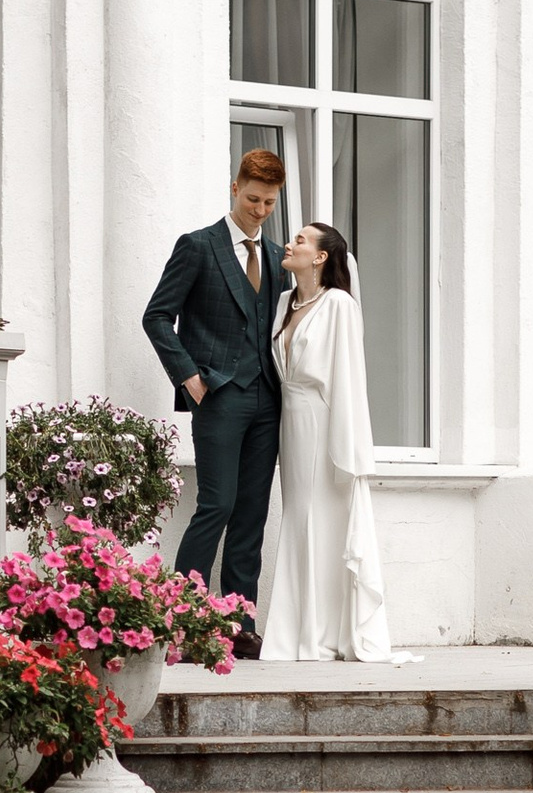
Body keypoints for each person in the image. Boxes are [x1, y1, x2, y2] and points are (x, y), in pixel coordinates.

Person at [142, 149, 287, 656]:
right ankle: (181, 621)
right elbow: (157, 317)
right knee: (217, 505)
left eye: (269, 202)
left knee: (252, 513)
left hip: (268, 400)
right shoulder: (198, 247)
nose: (260, 210)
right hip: (219, 396)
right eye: (253, 199)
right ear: (234, 189)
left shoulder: (275, 258)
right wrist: (190, 378)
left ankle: (239, 624)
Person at [260, 221, 398, 662]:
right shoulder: (283, 301)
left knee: (325, 520)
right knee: (300, 520)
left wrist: (349, 445)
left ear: (320, 257)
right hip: (290, 425)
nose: (290, 242)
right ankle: (299, 631)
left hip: (323, 423)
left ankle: (326, 634)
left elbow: (348, 376)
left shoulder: (338, 303)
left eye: (300, 239)